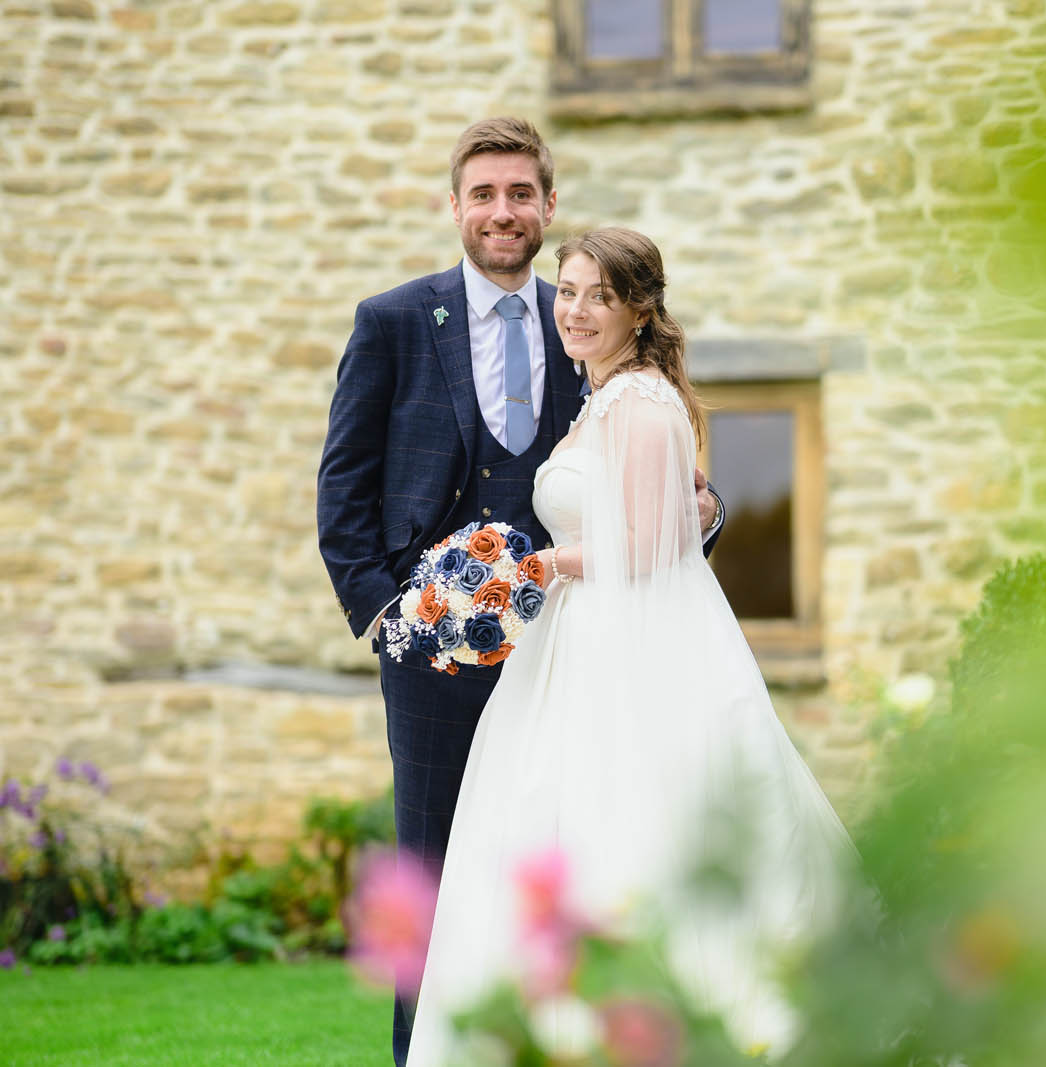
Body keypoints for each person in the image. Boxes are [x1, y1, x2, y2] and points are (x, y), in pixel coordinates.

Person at [315, 119, 723, 1065]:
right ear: (455, 205)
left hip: (570, 650)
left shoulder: (583, 315)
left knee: (562, 859)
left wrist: (699, 513)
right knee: (433, 874)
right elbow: (344, 485)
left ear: (548, 204)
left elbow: (653, 461)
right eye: (484, 194)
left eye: (521, 194)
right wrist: (391, 616)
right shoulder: (393, 321)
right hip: (435, 651)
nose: (503, 211)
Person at [406, 229, 853, 1063]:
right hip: (576, 639)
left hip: (626, 645)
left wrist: (540, 565)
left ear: (639, 311)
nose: (575, 311)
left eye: (599, 297)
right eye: (569, 291)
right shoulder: (602, 396)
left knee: (629, 817)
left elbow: (652, 544)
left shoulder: (640, 403)